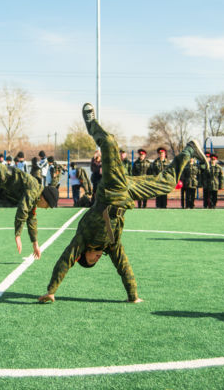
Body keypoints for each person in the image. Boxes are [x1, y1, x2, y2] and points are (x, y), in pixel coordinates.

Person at [39, 103, 206, 303]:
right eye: (97, 261)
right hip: (127, 192)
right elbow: (124, 267)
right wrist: (133, 296)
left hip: (111, 189)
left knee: (109, 143)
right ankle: (189, 149)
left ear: (83, 256)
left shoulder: (83, 238)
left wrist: (51, 291)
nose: (98, 259)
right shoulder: (111, 245)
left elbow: (65, 261)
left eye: (92, 260)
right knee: (168, 183)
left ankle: (91, 124)